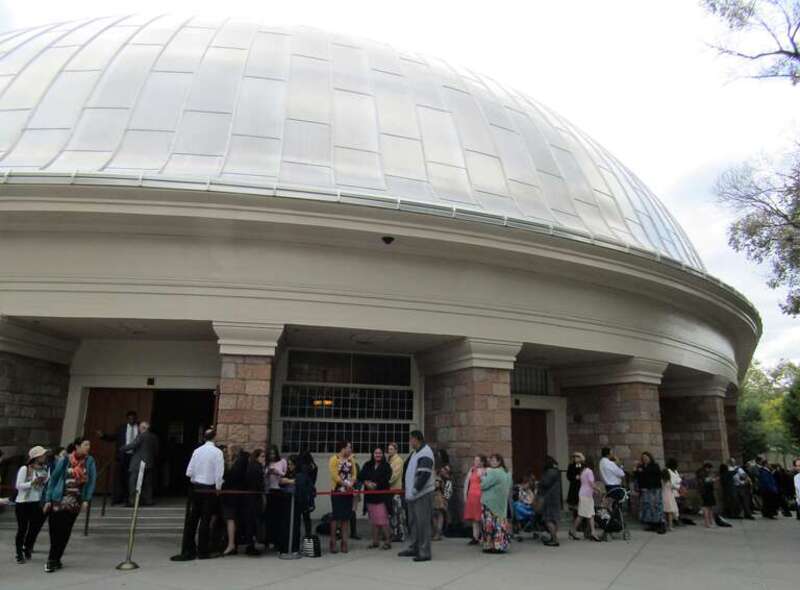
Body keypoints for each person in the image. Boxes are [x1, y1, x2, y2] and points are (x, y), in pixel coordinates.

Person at [43, 437, 97, 573]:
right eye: (85, 444)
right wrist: (48, 499)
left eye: (89, 444)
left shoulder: (89, 461)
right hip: (59, 497)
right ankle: (54, 558)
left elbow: (91, 482)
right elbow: (54, 479)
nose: (88, 447)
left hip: (75, 499)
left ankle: (54, 558)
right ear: (77, 446)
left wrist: (86, 499)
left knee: (65, 530)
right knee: (55, 529)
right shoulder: (65, 460)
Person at [171, 428, 225, 561]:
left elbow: (189, 471)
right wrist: (218, 488)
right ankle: (203, 550)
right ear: (215, 437)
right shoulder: (217, 452)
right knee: (205, 520)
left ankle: (189, 548)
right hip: (209, 488)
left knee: (193, 519)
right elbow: (219, 473)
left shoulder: (197, 451)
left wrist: (195, 480)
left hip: (196, 487)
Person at [398, 430, 435, 562]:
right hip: (412, 495)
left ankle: (424, 552)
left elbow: (424, 474)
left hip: (422, 494)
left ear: (416, 439)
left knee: (422, 523)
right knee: (413, 523)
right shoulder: (415, 452)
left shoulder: (426, 453)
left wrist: (415, 488)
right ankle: (415, 547)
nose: (410, 442)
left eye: (411, 439)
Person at [14, 445, 49, 564]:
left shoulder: (44, 469)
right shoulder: (25, 469)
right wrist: (31, 483)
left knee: (34, 527)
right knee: (22, 529)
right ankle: (19, 552)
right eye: (42, 455)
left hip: (36, 501)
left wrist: (42, 483)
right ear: (36, 457)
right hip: (23, 502)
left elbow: (42, 486)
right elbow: (18, 486)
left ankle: (27, 547)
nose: (44, 457)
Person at [96, 410, 139, 505]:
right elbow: (113, 437)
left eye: (133, 418)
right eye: (130, 418)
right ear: (127, 419)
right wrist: (103, 436)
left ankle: (130, 499)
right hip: (123, 457)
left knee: (132, 478)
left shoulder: (140, 428)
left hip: (134, 456)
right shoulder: (121, 428)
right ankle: (118, 498)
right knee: (121, 478)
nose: (132, 420)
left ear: (136, 419)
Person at [358, 446, 393, 549]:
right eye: (376, 453)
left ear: (383, 454)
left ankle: (387, 542)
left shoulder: (386, 466)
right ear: (372, 454)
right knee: (373, 520)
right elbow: (360, 476)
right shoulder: (367, 464)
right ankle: (375, 542)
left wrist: (376, 485)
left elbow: (387, 478)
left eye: (380, 453)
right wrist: (366, 482)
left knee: (383, 520)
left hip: (382, 497)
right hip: (370, 497)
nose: (378, 455)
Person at [119, 420, 159, 506]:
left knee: (133, 482)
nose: (139, 429)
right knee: (147, 483)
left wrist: (121, 448)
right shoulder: (154, 437)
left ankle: (133, 501)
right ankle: (148, 500)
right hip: (149, 463)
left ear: (143, 428)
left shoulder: (141, 436)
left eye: (140, 427)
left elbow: (133, 445)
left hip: (138, 463)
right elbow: (156, 451)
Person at [479, 453, 513, 553]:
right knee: (499, 525)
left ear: (499, 461)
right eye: (491, 460)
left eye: (494, 460)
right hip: (502, 503)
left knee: (489, 525)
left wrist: (482, 476)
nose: (492, 462)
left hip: (490, 503)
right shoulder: (507, 473)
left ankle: (490, 546)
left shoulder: (494, 472)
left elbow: (483, 485)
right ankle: (500, 545)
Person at [328, 440, 357, 554]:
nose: (350, 449)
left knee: (346, 518)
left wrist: (352, 483)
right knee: (336, 517)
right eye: (349, 447)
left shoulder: (351, 460)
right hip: (337, 491)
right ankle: (333, 542)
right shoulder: (334, 459)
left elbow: (354, 473)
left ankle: (344, 542)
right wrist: (345, 483)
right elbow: (334, 475)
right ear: (343, 448)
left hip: (348, 492)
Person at [221, 445, 247, 556]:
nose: (229, 453)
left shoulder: (238, 464)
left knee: (230, 519)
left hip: (231, 496)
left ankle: (231, 544)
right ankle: (232, 544)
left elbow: (231, 478)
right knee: (232, 519)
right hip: (234, 496)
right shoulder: (239, 462)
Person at [569, 456, 601, 542]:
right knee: (584, 514)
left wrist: (594, 490)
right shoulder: (589, 471)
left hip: (584, 493)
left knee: (589, 514)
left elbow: (586, 483)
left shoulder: (583, 471)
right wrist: (598, 489)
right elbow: (591, 483)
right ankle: (574, 530)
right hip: (586, 495)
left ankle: (592, 532)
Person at [264, 445, 287, 551]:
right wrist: (268, 473)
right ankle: (269, 540)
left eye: (274, 453)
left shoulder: (282, 461)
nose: (272, 456)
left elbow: (286, 474)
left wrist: (278, 472)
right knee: (269, 518)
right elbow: (263, 477)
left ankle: (278, 541)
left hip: (279, 490)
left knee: (279, 517)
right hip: (270, 491)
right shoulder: (267, 463)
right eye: (270, 454)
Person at [635, 452, 665, 533]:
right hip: (645, 489)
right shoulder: (641, 467)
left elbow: (653, 474)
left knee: (656, 505)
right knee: (648, 506)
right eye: (643, 458)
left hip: (654, 488)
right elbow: (638, 477)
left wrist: (642, 470)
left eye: (646, 457)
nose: (645, 459)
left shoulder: (654, 466)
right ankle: (652, 524)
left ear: (649, 458)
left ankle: (660, 523)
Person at [242, 448, 265, 555]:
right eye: (262, 456)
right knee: (253, 522)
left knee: (250, 522)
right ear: (257, 457)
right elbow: (259, 484)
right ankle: (250, 546)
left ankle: (249, 544)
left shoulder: (251, 466)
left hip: (250, 497)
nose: (264, 458)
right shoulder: (257, 467)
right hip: (255, 498)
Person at [537, 455, 562, 547]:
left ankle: (554, 539)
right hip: (554, 498)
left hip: (549, 499)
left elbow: (545, 483)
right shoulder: (555, 471)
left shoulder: (550, 472)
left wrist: (539, 482)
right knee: (553, 519)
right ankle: (553, 537)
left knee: (548, 519)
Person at [463, 454, 487, 545]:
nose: (475, 462)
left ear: (482, 462)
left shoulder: (485, 470)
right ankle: (475, 536)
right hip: (471, 495)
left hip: (480, 495)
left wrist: (482, 475)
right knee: (473, 518)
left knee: (480, 517)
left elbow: (485, 482)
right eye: (475, 460)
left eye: (477, 460)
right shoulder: (472, 469)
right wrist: (465, 494)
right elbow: (467, 482)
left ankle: (483, 535)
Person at [386, 442, 405, 542]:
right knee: (392, 513)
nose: (389, 451)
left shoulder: (398, 461)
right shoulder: (390, 460)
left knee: (397, 512)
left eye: (391, 449)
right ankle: (394, 532)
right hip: (390, 490)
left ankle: (400, 534)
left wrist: (385, 482)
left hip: (395, 490)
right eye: (389, 449)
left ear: (396, 450)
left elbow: (394, 475)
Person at [297, 450, 318, 538]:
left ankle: (296, 534)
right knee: (306, 516)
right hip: (309, 492)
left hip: (301, 491)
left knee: (297, 515)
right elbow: (313, 480)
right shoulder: (313, 466)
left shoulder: (300, 467)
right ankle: (308, 534)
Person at [432, 463, 453, 541]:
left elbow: (447, 490)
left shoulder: (443, 479)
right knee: (434, 515)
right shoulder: (440, 478)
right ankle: (435, 532)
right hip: (436, 497)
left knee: (439, 515)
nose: (443, 471)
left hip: (439, 498)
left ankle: (438, 532)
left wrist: (445, 498)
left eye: (446, 470)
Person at [696, 462, 716, 527]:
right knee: (707, 507)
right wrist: (712, 479)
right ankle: (707, 523)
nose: (710, 470)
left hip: (706, 491)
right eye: (710, 469)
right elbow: (705, 481)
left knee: (709, 507)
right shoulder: (703, 473)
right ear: (707, 468)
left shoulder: (702, 473)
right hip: (706, 492)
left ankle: (710, 521)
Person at [663, 459, 681, 530]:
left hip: (665, 494)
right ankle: (670, 525)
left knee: (666, 511)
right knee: (670, 510)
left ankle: (666, 524)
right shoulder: (670, 475)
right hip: (670, 494)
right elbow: (674, 484)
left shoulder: (664, 480)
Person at [566, 452, 584, 517]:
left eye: (577, 457)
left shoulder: (582, 465)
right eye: (575, 457)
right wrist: (575, 477)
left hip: (581, 486)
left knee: (581, 504)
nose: (576, 458)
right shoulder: (571, 465)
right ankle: (575, 517)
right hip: (574, 486)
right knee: (574, 503)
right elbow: (568, 476)